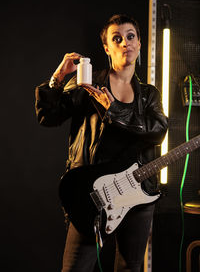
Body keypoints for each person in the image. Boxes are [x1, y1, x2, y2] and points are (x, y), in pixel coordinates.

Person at [35, 14, 168, 272]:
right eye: (116, 39)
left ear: (139, 43)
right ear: (107, 47)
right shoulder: (88, 84)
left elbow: (158, 131)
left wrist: (116, 110)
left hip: (137, 193)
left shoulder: (150, 94)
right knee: (75, 268)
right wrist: (57, 78)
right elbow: (48, 116)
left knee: (130, 266)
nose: (125, 43)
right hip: (92, 195)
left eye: (131, 36)